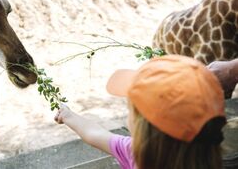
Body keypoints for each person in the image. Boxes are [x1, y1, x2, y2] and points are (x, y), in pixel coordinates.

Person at [55, 55, 227, 169]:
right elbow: (95, 133)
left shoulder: (136, 155)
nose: (127, 117)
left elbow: (96, 134)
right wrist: (69, 116)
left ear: (146, 130)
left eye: (130, 110)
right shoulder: (206, 155)